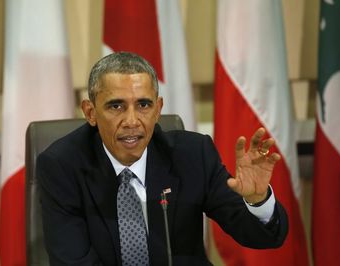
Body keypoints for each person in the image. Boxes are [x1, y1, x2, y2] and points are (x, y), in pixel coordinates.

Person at [36, 52, 288, 265]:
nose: (132, 121)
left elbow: (263, 237)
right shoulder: (61, 166)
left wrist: (257, 201)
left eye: (143, 105)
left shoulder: (192, 155)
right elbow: (73, 261)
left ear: (158, 109)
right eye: (116, 106)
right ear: (90, 113)